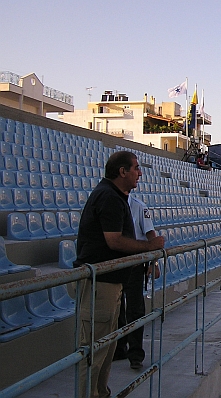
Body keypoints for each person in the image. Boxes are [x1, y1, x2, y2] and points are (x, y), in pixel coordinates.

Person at [75, 151, 165, 398]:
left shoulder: (116, 197)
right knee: (95, 349)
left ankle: (100, 393)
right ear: (122, 171)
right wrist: (150, 247)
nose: (140, 172)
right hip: (100, 284)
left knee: (107, 346)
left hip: (110, 283)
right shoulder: (110, 198)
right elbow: (114, 241)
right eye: (135, 168)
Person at [114, 194, 160, 370]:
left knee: (134, 309)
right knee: (116, 308)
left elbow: (151, 237)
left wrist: (154, 263)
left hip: (134, 264)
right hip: (116, 263)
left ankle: (135, 355)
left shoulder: (139, 207)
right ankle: (119, 348)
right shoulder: (112, 204)